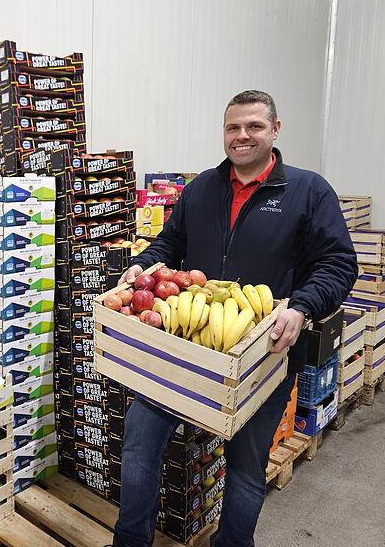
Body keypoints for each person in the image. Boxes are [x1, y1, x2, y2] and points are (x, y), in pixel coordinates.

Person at [110, 90, 357, 547]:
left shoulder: (308, 191)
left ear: (275, 130)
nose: (242, 136)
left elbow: (338, 264)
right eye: (233, 127)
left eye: (254, 126)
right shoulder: (202, 188)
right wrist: (143, 264)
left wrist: (302, 306)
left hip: (264, 353)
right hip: (185, 345)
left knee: (245, 468)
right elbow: (171, 243)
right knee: (140, 445)